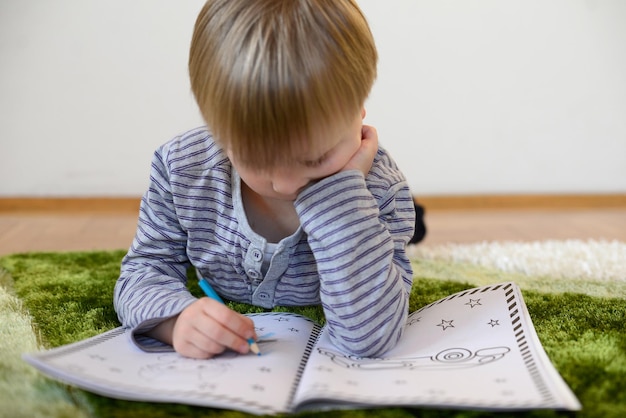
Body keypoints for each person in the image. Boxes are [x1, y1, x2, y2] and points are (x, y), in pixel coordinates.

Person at [114, 0, 417, 360]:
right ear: (218, 133)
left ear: (359, 110)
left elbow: (370, 336)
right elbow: (143, 272)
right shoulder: (182, 169)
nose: (288, 185)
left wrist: (342, 201)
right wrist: (176, 321)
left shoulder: (380, 191)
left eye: (316, 158)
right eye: (256, 161)